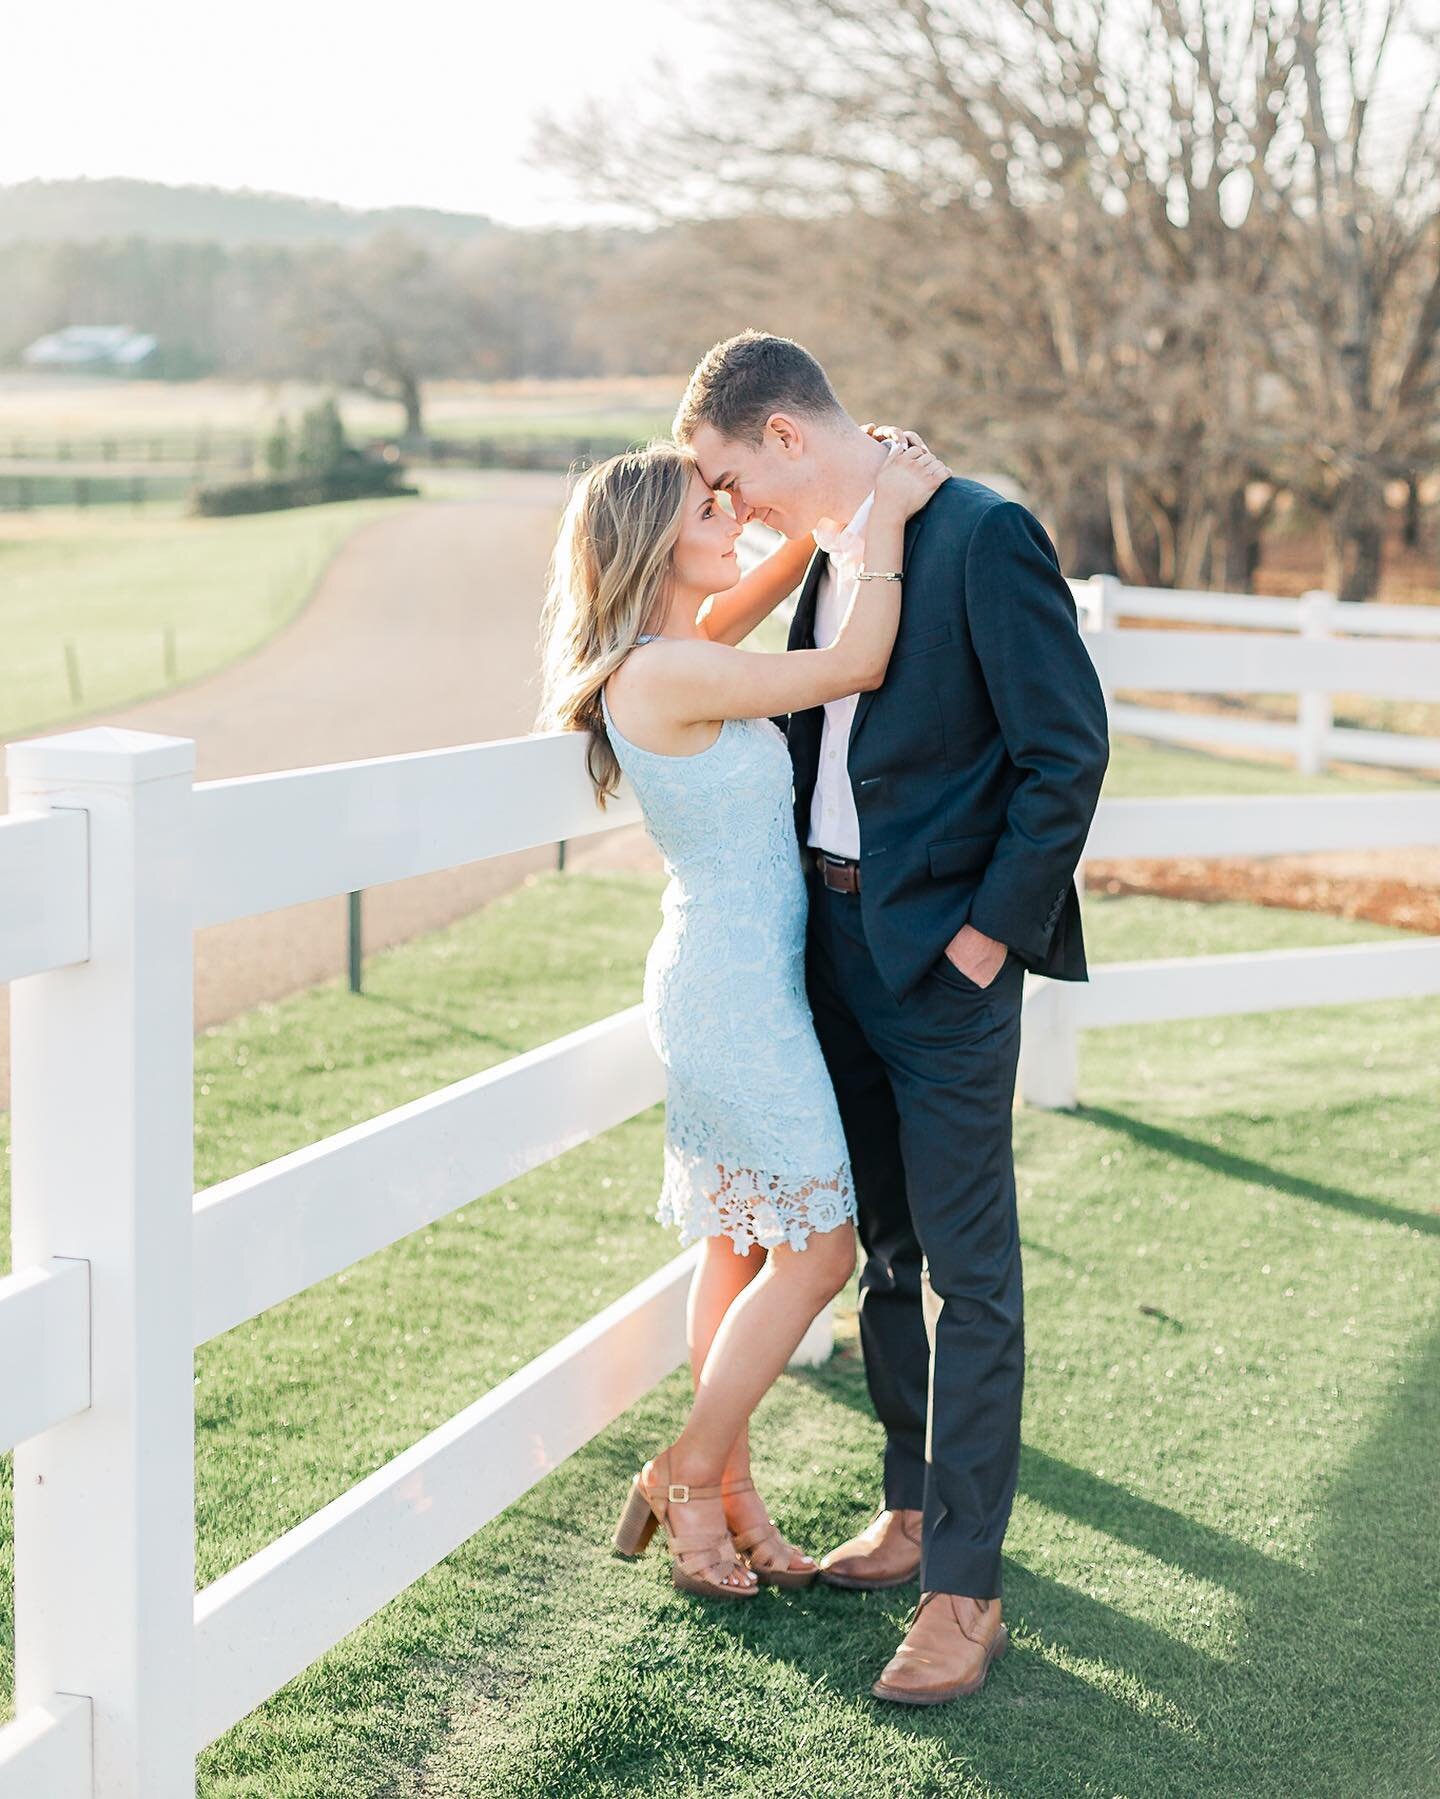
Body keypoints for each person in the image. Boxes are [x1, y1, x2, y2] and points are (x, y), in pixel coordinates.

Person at [674, 330, 1110, 1701]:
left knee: (972, 1274)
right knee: (882, 1248)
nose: (728, 508)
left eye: (729, 477)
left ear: (786, 438)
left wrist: (989, 935)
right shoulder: (823, 558)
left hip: (945, 960)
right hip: (828, 949)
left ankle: (963, 1590)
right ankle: (911, 1504)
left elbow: (1065, 750)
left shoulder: (981, 534)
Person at [538, 433, 949, 1600]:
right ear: (660, 544)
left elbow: (780, 565)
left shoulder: (673, 649)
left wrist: (832, 523)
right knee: (817, 1249)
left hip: (733, 983)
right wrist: (895, 517)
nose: (738, 525)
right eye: (713, 513)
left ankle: (730, 1495)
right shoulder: (670, 672)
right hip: (732, 998)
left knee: (738, 1240)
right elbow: (860, 659)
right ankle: (690, 1467)